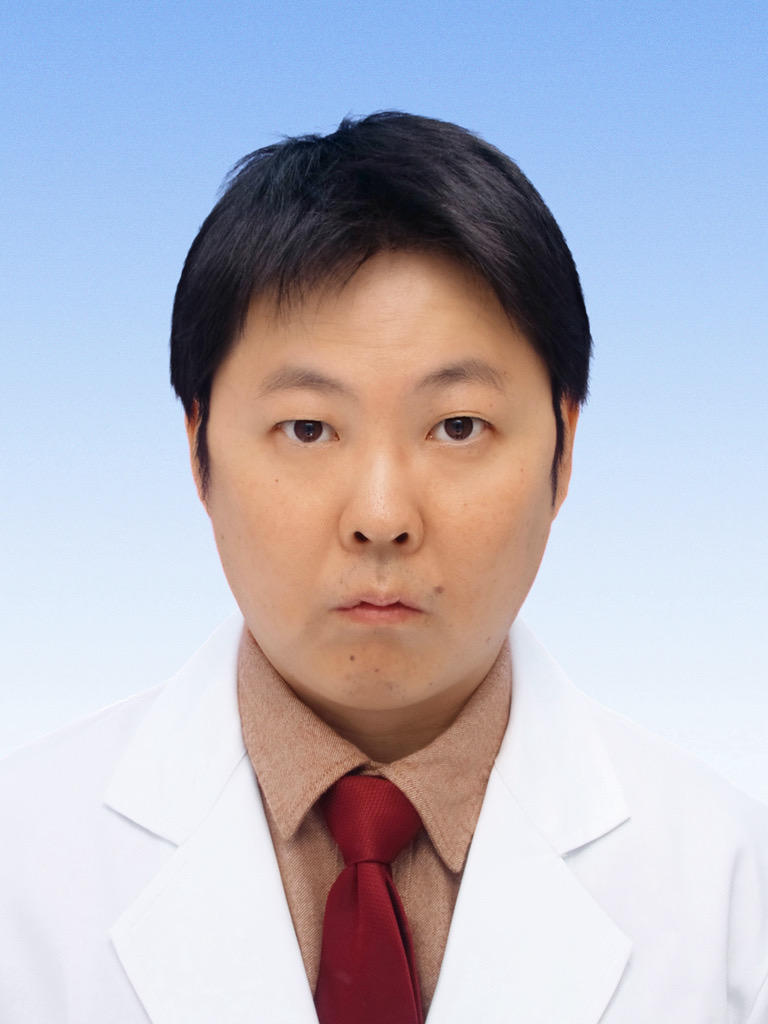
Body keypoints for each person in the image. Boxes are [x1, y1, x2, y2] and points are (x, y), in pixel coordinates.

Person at [1, 112, 766, 1024]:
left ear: (563, 451)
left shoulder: (731, 891)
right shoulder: (23, 859)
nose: (381, 517)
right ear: (198, 449)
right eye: (308, 428)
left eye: (457, 426)